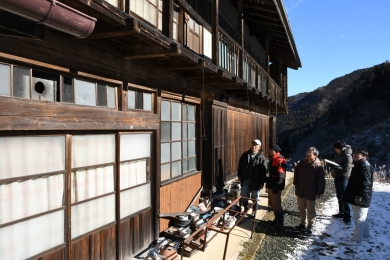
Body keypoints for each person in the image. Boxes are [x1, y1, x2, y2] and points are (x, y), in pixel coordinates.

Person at [344, 148, 373, 243]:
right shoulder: (360, 165)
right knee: (363, 218)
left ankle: (357, 239)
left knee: (359, 219)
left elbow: (366, 185)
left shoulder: (364, 167)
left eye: (358, 154)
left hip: (360, 197)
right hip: (358, 195)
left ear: (364, 156)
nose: (355, 156)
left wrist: (359, 197)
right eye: (355, 154)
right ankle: (365, 235)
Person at [294, 147, 326, 234]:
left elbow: (321, 181)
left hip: (311, 192)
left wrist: (319, 192)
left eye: (310, 152)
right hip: (300, 191)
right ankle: (302, 224)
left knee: (310, 210)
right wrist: (296, 185)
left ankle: (311, 226)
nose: (307, 154)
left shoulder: (318, 166)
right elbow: (296, 174)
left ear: (315, 155)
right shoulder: (301, 163)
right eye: (307, 152)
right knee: (301, 209)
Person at [237, 139, 268, 218]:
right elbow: (240, 166)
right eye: (253, 144)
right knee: (244, 195)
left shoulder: (261, 158)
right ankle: (245, 208)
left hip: (256, 181)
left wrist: (262, 182)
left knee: (255, 196)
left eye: (256, 145)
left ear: (259, 147)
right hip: (245, 179)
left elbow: (264, 172)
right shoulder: (245, 155)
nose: (253, 146)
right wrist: (239, 175)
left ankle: (254, 211)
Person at [326, 141, 353, 223]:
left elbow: (347, 169)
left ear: (341, 148)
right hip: (337, 176)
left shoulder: (347, 156)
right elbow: (331, 156)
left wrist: (337, 167)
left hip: (344, 178)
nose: (335, 150)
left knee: (344, 197)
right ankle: (341, 212)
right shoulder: (338, 153)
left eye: (336, 148)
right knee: (339, 196)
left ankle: (347, 215)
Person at [266, 144, 286, 230]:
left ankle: (280, 223)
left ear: (276, 150)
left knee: (277, 205)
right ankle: (276, 220)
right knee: (272, 204)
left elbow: (281, 176)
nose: (270, 151)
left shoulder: (280, 160)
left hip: (275, 186)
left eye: (271, 149)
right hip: (271, 185)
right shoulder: (272, 159)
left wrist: (277, 187)